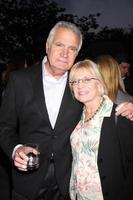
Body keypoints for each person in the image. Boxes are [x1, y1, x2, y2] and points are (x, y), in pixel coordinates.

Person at [0, 21, 133, 200]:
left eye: (72, 49)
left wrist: (131, 108)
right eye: (59, 45)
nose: (65, 53)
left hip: (68, 181)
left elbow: (104, 98)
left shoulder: (79, 82)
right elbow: (4, 126)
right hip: (28, 179)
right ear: (47, 46)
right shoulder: (19, 80)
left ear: (77, 54)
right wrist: (16, 149)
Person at [69, 59, 133, 200]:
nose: (79, 85)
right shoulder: (76, 115)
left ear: (99, 82)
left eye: (86, 79)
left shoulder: (119, 114)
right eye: (74, 81)